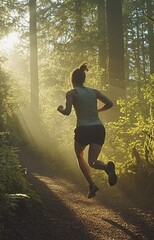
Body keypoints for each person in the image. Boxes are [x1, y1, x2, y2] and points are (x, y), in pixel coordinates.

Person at [57, 63, 117, 198]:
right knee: (93, 161)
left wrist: (60, 109)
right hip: (98, 128)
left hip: (83, 129)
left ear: (72, 80)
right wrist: (97, 111)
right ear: (83, 79)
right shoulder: (94, 92)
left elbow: (67, 112)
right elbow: (110, 103)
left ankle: (92, 185)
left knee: (79, 156)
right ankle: (107, 168)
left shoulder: (72, 93)